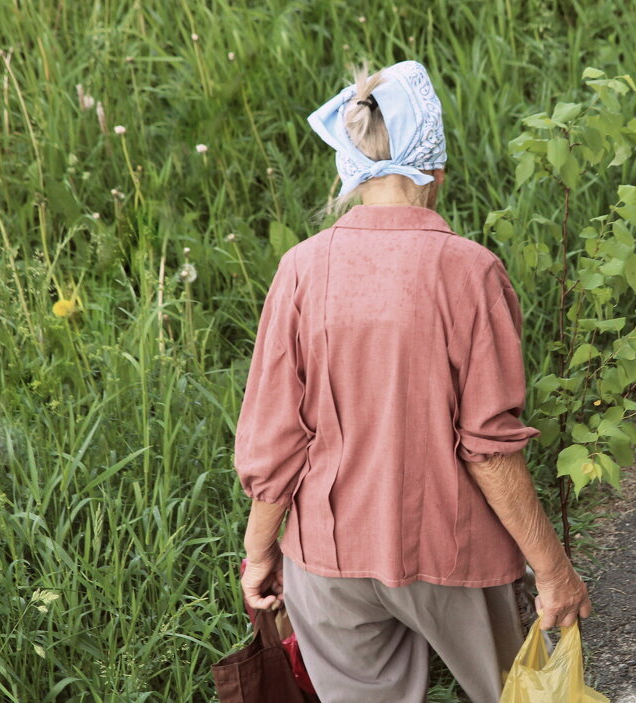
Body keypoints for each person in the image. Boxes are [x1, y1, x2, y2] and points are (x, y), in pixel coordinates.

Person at [233, 59, 591, 703]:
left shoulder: (299, 271)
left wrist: (260, 554)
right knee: (514, 693)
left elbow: (276, 442)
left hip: (326, 559)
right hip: (452, 556)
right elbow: (487, 447)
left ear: (347, 170)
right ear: (438, 172)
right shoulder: (470, 271)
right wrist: (553, 569)